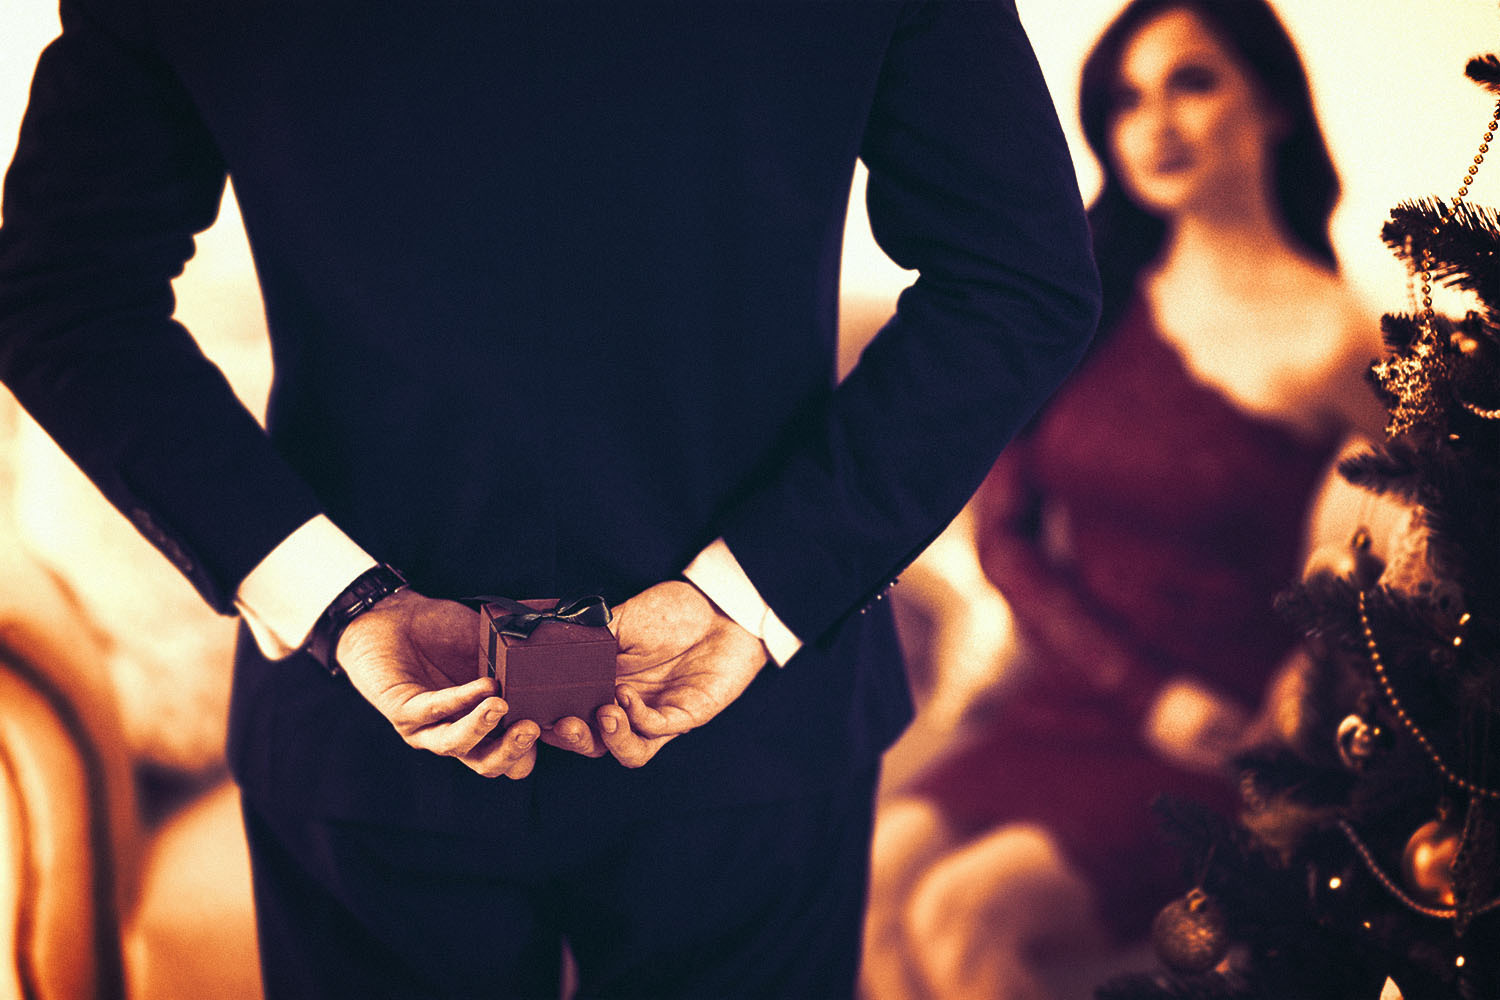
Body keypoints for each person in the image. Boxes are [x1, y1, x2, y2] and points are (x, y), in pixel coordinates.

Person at [0, 2, 1101, 997]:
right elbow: (1017, 276)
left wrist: (336, 599)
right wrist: (752, 589)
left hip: (385, 723)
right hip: (741, 722)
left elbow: (59, 294)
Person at [862, 1, 1387, 996]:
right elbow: (1006, 539)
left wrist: (1326, 672)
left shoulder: (1339, 337)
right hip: (1070, 700)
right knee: (879, 874)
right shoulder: (1083, 298)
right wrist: (1143, 692)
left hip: (1218, 737)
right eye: (1125, 99)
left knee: (966, 913)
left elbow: (1444, 523)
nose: (1156, 121)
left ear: (1271, 100)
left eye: (1193, 80)